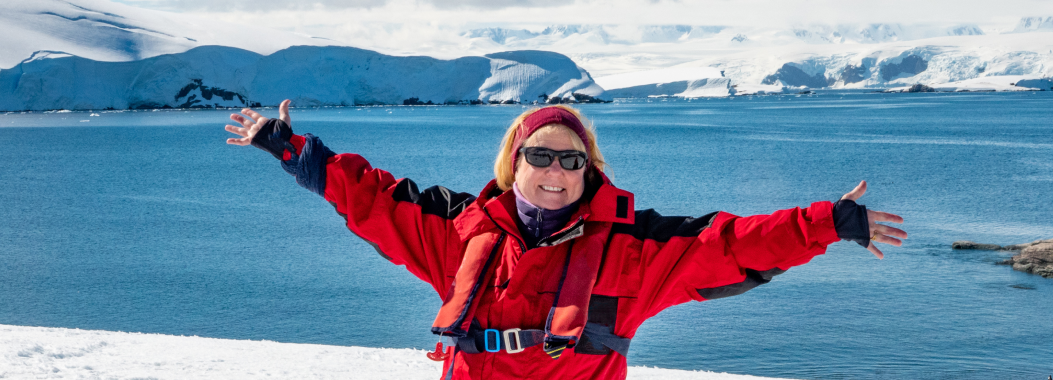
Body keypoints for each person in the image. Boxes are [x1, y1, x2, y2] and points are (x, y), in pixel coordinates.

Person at [223, 100, 907, 380]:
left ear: (591, 169)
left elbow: (729, 245)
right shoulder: (461, 232)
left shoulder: (635, 251)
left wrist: (827, 222)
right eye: (540, 157)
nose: (555, 172)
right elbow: (375, 201)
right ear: (512, 163)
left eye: (571, 159)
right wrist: (298, 153)